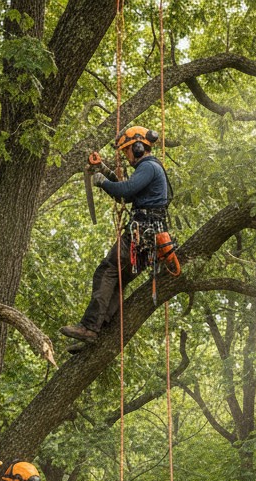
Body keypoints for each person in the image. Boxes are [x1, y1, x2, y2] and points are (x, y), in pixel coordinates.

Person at [60, 125, 171, 344]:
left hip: (142, 232)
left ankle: (89, 326)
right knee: (118, 280)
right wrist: (103, 170)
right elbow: (127, 193)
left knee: (107, 270)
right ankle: (99, 330)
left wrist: (102, 182)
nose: (127, 156)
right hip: (149, 235)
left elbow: (125, 191)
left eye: (127, 150)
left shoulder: (148, 166)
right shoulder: (150, 168)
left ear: (138, 147)